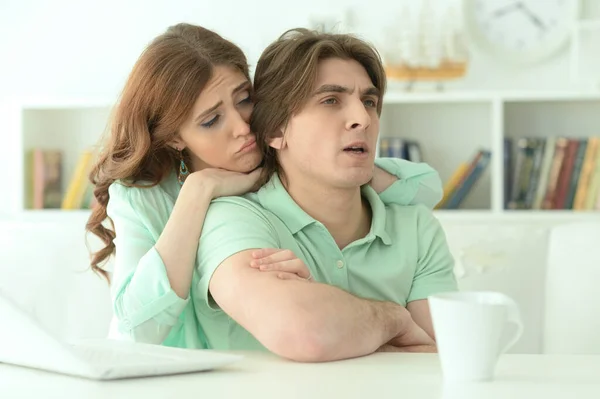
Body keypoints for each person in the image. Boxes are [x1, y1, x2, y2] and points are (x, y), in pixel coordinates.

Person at [85, 23, 445, 349]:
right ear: (177, 138)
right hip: (176, 368)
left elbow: (426, 189)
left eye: (245, 100)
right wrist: (199, 191)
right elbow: (135, 332)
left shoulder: (282, 165)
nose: (243, 126)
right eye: (212, 120)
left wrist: (357, 166)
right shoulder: (146, 197)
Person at [191, 28, 458, 362]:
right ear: (275, 130)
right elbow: (305, 332)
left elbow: (438, 359)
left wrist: (329, 309)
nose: (362, 119)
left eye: (369, 102)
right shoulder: (233, 219)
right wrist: (396, 318)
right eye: (331, 100)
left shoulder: (417, 228)